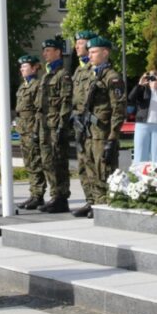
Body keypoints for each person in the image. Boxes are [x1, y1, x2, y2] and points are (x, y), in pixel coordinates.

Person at [73, 36, 125, 218]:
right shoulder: (91, 75)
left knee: (103, 169)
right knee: (90, 168)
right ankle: (95, 202)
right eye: (89, 52)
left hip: (103, 132)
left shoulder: (112, 78)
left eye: (94, 52)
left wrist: (112, 137)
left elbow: (118, 110)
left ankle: (105, 205)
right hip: (88, 131)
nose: (90, 55)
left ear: (105, 53)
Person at [38, 37, 73, 213]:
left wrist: (61, 126)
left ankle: (61, 197)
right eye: (44, 51)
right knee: (47, 162)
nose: (45, 53)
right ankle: (54, 195)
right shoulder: (46, 75)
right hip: (45, 126)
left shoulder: (62, 75)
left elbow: (66, 102)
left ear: (58, 52)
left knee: (58, 162)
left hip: (56, 126)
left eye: (48, 50)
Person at [70, 30, 97, 213]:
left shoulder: (94, 69)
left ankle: (97, 201)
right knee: (82, 163)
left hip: (91, 124)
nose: (77, 46)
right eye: (77, 43)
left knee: (92, 163)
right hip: (78, 122)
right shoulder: (79, 70)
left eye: (80, 43)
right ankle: (89, 200)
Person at [15, 55, 45, 210]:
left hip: (32, 130)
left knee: (35, 163)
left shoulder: (37, 86)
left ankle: (38, 195)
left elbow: (39, 111)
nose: (22, 69)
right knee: (29, 164)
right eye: (21, 67)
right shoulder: (23, 86)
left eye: (25, 67)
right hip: (23, 130)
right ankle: (33, 194)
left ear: (34, 69)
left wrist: (36, 131)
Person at [129, 70, 157, 168]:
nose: (155, 79)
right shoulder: (142, 90)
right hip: (142, 125)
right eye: (153, 77)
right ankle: (139, 173)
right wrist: (140, 84)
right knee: (140, 152)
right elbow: (131, 97)